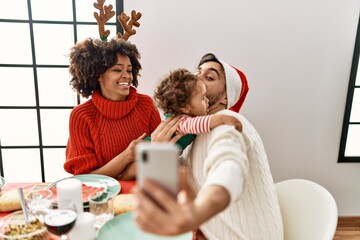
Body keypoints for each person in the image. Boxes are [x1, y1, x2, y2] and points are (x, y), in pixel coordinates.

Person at [133, 53, 283, 239]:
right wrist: (158, 151)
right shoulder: (192, 135)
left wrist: (196, 213)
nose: (197, 78)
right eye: (197, 72)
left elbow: (229, 167)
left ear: (224, 99)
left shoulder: (228, 123)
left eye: (209, 77)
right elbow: (172, 184)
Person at [64, 38, 161, 180]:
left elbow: (161, 158)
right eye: (117, 70)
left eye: (129, 70)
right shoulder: (81, 116)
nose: (126, 76)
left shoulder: (146, 105)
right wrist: (127, 157)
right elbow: (84, 179)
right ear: (98, 75)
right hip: (101, 198)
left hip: (143, 193)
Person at [147, 68, 242, 150]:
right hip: (146, 149)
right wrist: (223, 119)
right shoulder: (183, 122)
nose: (206, 99)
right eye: (202, 97)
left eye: (209, 77)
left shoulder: (182, 117)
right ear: (185, 107)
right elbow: (204, 122)